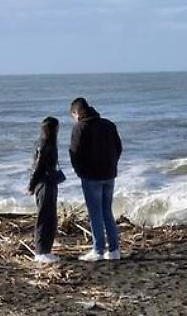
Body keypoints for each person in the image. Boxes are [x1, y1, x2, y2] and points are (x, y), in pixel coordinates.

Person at [68, 97, 123, 262]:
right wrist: (112, 164)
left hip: (91, 176)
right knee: (107, 211)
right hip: (109, 173)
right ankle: (114, 250)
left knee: (95, 213)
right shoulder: (108, 124)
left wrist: (79, 171)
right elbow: (118, 148)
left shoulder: (80, 127)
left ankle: (98, 249)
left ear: (76, 113)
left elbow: (74, 152)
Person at [27, 116, 63, 263]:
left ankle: (46, 251)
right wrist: (31, 185)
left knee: (50, 217)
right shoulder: (45, 144)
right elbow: (37, 167)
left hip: (48, 183)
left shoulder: (44, 143)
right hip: (45, 184)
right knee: (45, 217)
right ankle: (41, 252)